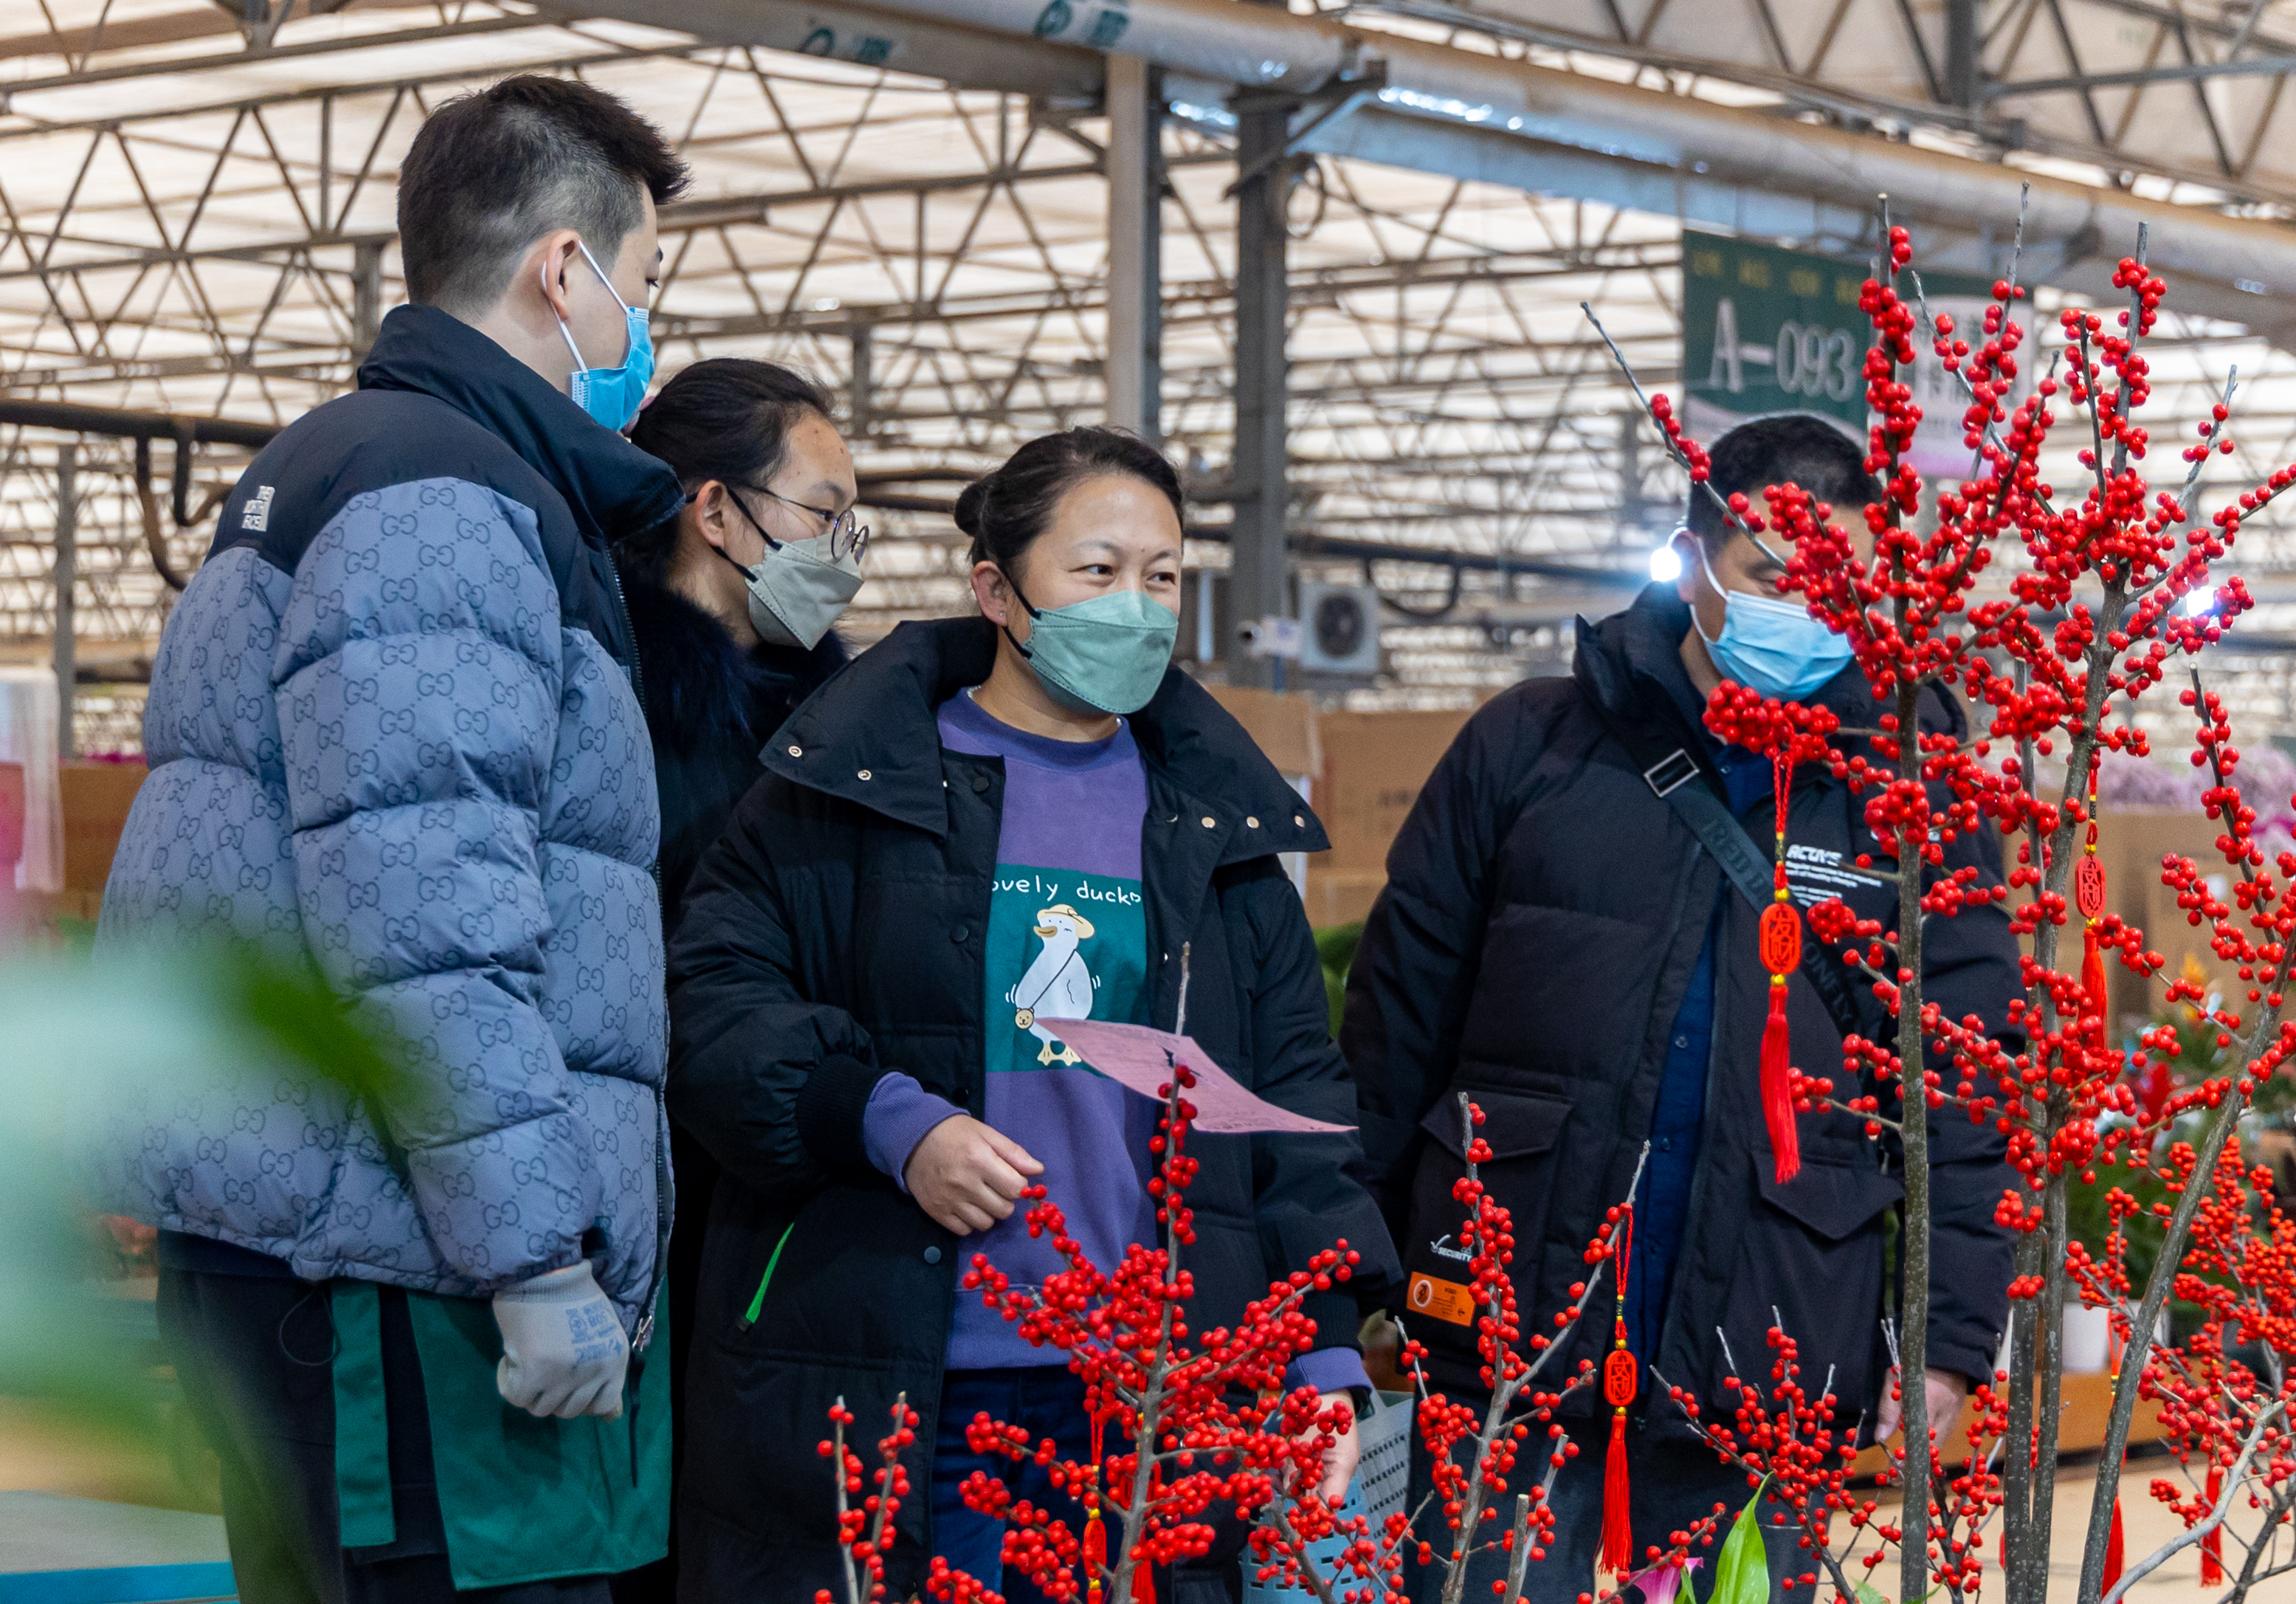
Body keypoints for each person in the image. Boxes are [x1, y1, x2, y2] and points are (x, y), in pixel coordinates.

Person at [93, 75, 689, 1603]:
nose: (642, 335)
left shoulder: (340, 467)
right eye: (645, 285)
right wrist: (534, 1254)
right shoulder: (443, 500)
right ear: (566, 269)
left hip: (324, 1237)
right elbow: (424, 916)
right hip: (404, 1276)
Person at [663, 427, 1400, 1603]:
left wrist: (1318, 1350)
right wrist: (890, 1121)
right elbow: (712, 1000)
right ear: (997, 589)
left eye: (1162, 576)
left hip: (1158, 1392)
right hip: (924, 1373)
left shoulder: (1214, 829)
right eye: (1096, 571)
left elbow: (1292, 1103)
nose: (1137, 607)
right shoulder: (849, 789)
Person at [1342, 414, 2020, 1603]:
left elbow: (1962, 1077)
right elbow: (1399, 1022)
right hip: (1511, 1316)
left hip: (1773, 1322)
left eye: (1840, 584)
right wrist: (1355, 1267)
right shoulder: (1533, 745)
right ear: (1691, 556)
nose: (1807, 609)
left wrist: (1952, 1340)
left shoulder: (1909, 798)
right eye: (1770, 574)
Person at [607, 358, 860, 1604]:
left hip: (807, 1205)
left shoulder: (846, 728)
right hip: (656, 1210)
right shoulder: (612, 710)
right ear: (716, 511)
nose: (844, 551)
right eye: (824, 514)